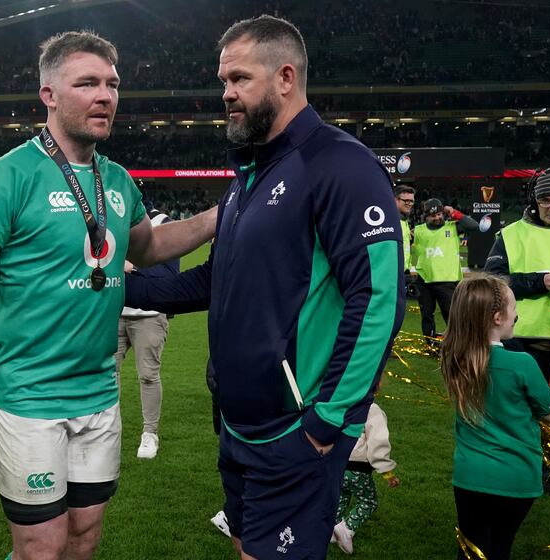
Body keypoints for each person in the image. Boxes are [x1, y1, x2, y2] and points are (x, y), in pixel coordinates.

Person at [0, 31, 216, 560]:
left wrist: (221, 217)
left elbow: (149, 247)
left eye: (112, 84)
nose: (105, 95)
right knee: (42, 546)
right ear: (50, 95)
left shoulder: (119, 180)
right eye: (87, 83)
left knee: (83, 536)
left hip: (100, 395)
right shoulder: (5, 178)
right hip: (26, 398)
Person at [126, 15, 404, 559]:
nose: (226, 94)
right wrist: (115, 290)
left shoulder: (341, 164)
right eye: (223, 80)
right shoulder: (248, 176)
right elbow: (216, 280)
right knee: (247, 547)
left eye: (239, 79)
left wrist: (328, 421)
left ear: (284, 77)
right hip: (239, 422)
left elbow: (377, 299)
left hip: (297, 429)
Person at [440, 274, 550, 560]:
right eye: (512, 306)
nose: (516, 313)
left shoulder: (454, 358)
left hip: (471, 477)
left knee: (470, 550)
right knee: (499, 548)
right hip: (516, 478)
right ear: (497, 318)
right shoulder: (522, 363)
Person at [484, 166, 550, 495]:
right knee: (527, 412)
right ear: (535, 200)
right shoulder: (512, 234)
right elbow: (493, 283)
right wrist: (539, 282)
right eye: (547, 200)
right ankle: (539, 472)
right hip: (525, 341)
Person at [115, 206, 179, 459]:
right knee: (108, 373)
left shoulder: (162, 221)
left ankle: (150, 433)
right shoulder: (110, 215)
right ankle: (109, 428)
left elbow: (170, 274)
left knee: (149, 375)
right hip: (114, 311)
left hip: (149, 315)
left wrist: (131, 267)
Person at [332, 400, 400, 555]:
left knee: (341, 496)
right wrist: (386, 471)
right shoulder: (372, 410)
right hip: (358, 468)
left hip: (337, 465)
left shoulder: (341, 404)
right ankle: (346, 528)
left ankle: (332, 529)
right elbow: (378, 441)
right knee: (369, 501)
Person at [411, 198, 478, 342]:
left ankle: (457, 343)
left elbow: (474, 226)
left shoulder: (452, 227)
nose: (437, 218)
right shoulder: (418, 230)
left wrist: (454, 212)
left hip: (447, 280)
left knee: (451, 315)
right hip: (424, 279)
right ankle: (430, 342)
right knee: (427, 314)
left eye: (440, 214)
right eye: (433, 216)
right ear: (426, 216)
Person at [394, 185, 415, 273]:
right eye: (406, 201)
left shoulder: (403, 220)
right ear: (395, 200)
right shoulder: (391, 220)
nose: (409, 204)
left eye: (411, 201)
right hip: (394, 273)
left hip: (404, 272)